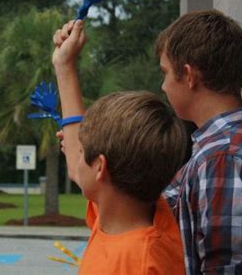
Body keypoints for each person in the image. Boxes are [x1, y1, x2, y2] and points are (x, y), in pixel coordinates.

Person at [52, 20, 187, 274]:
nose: (72, 156)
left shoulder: (142, 261)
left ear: (100, 167)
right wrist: (64, 65)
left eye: (81, 153)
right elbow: (77, 166)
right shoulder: (120, 212)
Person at [156, 9, 242, 274]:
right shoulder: (231, 146)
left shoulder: (223, 157)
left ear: (189, 76)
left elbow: (225, 268)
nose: (163, 86)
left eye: (165, 72)